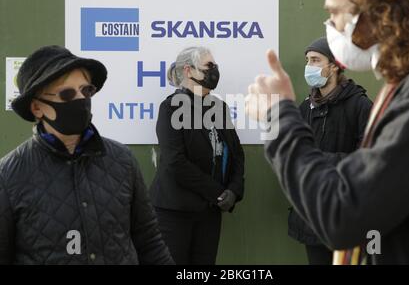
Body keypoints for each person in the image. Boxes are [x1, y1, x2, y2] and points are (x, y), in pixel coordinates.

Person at [246, 0, 409, 264]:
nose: (332, 25)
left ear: (382, 10)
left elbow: (343, 214)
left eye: (337, 12)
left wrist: (278, 118)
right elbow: (366, 175)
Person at [0, 45, 173, 265]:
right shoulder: (9, 175)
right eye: (67, 93)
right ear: (37, 108)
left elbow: (150, 243)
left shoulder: (123, 161)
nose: (81, 100)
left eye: (86, 90)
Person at [149, 46, 245, 265]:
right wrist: (218, 193)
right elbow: (175, 161)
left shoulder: (219, 107)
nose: (215, 71)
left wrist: (235, 190)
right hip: (175, 211)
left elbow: (237, 153)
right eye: (209, 66)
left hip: (210, 212)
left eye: (215, 65)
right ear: (189, 71)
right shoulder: (171, 108)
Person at [288, 37, 372, 265]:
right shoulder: (305, 108)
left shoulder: (360, 106)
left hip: (347, 216)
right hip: (311, 215)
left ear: (334, 65)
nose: (309, 67)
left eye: (315, 60)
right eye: (308, 61)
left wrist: (319, 161)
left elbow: (368, 162)